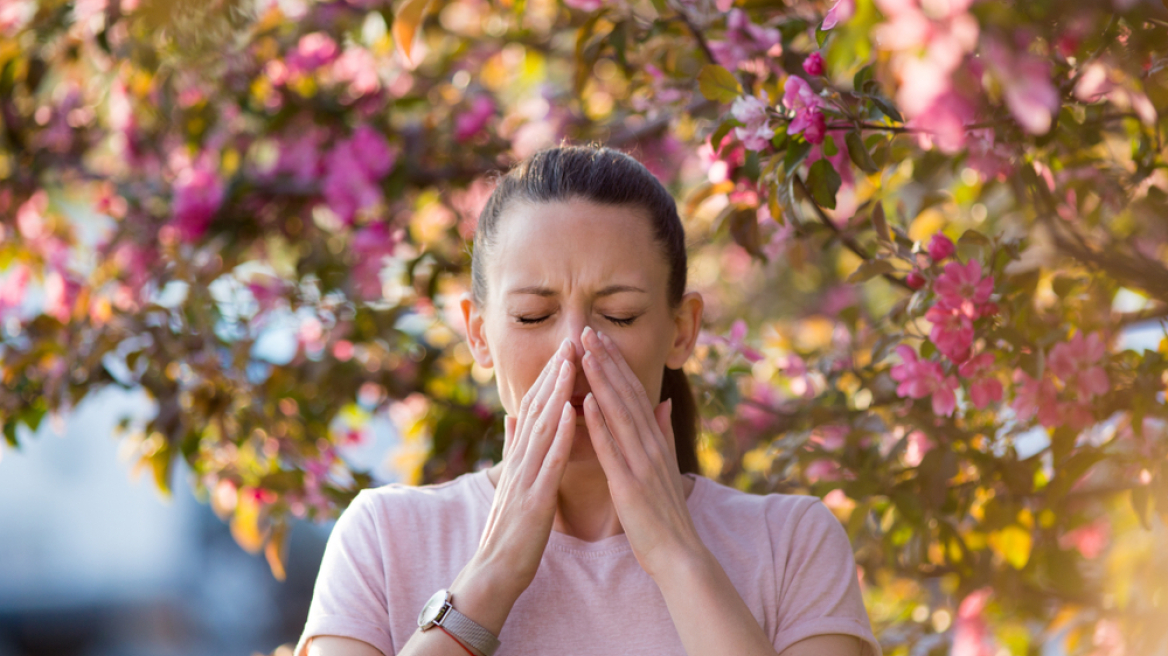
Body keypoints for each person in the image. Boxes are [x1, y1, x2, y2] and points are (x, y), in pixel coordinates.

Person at [296, 144, 881, 656]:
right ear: (478, 334)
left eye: (619, 315)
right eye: (533, 315)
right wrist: (491, 575)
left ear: (681, 330)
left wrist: (677, 557)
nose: (574, 349)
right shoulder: (385, 538)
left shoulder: (791, 544)